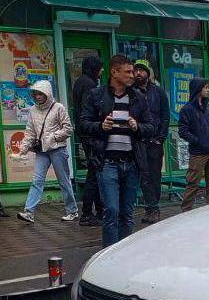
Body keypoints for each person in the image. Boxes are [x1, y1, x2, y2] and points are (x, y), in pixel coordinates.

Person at [79, 54, 155, 247]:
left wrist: (137, 126)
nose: (133, 75)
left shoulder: (138, 98)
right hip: (107, 162)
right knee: (111, 210)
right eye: (128, 71)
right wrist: (100, 126)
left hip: (131, 163)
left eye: (134, 71)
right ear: (114, 72)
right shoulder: (96, 95)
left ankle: (124, 255)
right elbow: (83, 123)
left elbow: (151, 126)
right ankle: (108, 255)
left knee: (127, 212)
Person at [16, 80, 79, 224]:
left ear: (47, 94)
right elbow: (30, 132)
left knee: (63, 181)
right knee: (37, 180)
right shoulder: (33, 110)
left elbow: (68, 128)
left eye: (40, 94)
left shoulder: (58, 108)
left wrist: (53, 137)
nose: (37, 96)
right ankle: (29, 212)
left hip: (57, 149)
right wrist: (23, 149)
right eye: (35, 94)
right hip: (42, 151)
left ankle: (72, 211)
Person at [132, 59, 169, 224]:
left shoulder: (158, 92)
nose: (138, 73)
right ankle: (151, 207)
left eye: (142, 70)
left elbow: (165, 116)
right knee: (144, 176)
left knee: (154, 176)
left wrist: (160, 138)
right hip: (139, 140)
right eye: (136, 70)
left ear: (148, 73)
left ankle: (154, 208)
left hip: (155, 141)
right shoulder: (131, 92)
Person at [178, 77, 209, 211]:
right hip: (198, 153)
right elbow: (183, 131)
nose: (208, 90)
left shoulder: (207, 108)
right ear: (198, 89)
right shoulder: (187, 109)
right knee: (193, 183)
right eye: (205, 87)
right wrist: (197, 141)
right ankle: (186, 211)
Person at [72, 55, 104, 225]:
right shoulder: (89, 84)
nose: (102, 71)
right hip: (90, 134)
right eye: (100, 67)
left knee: (95, 171)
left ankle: (98, 210)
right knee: (94, 173)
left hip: (84, 133)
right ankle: (87, 213)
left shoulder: (79, 82)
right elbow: (89, 110)